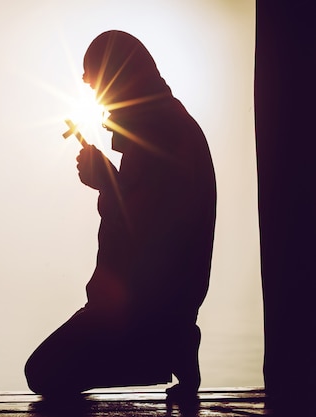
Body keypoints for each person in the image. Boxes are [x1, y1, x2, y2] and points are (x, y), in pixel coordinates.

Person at [24, 31, 217, 400]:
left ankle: (160, 351)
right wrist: (109, 181)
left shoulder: (160, 132)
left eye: (98, 85)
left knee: (44, 372)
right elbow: (144, 207)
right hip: (159, 301)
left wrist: (106, 182)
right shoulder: (164, 125)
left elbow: (147, 231)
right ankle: (170, 343)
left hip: (146, 306)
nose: (97, 98)